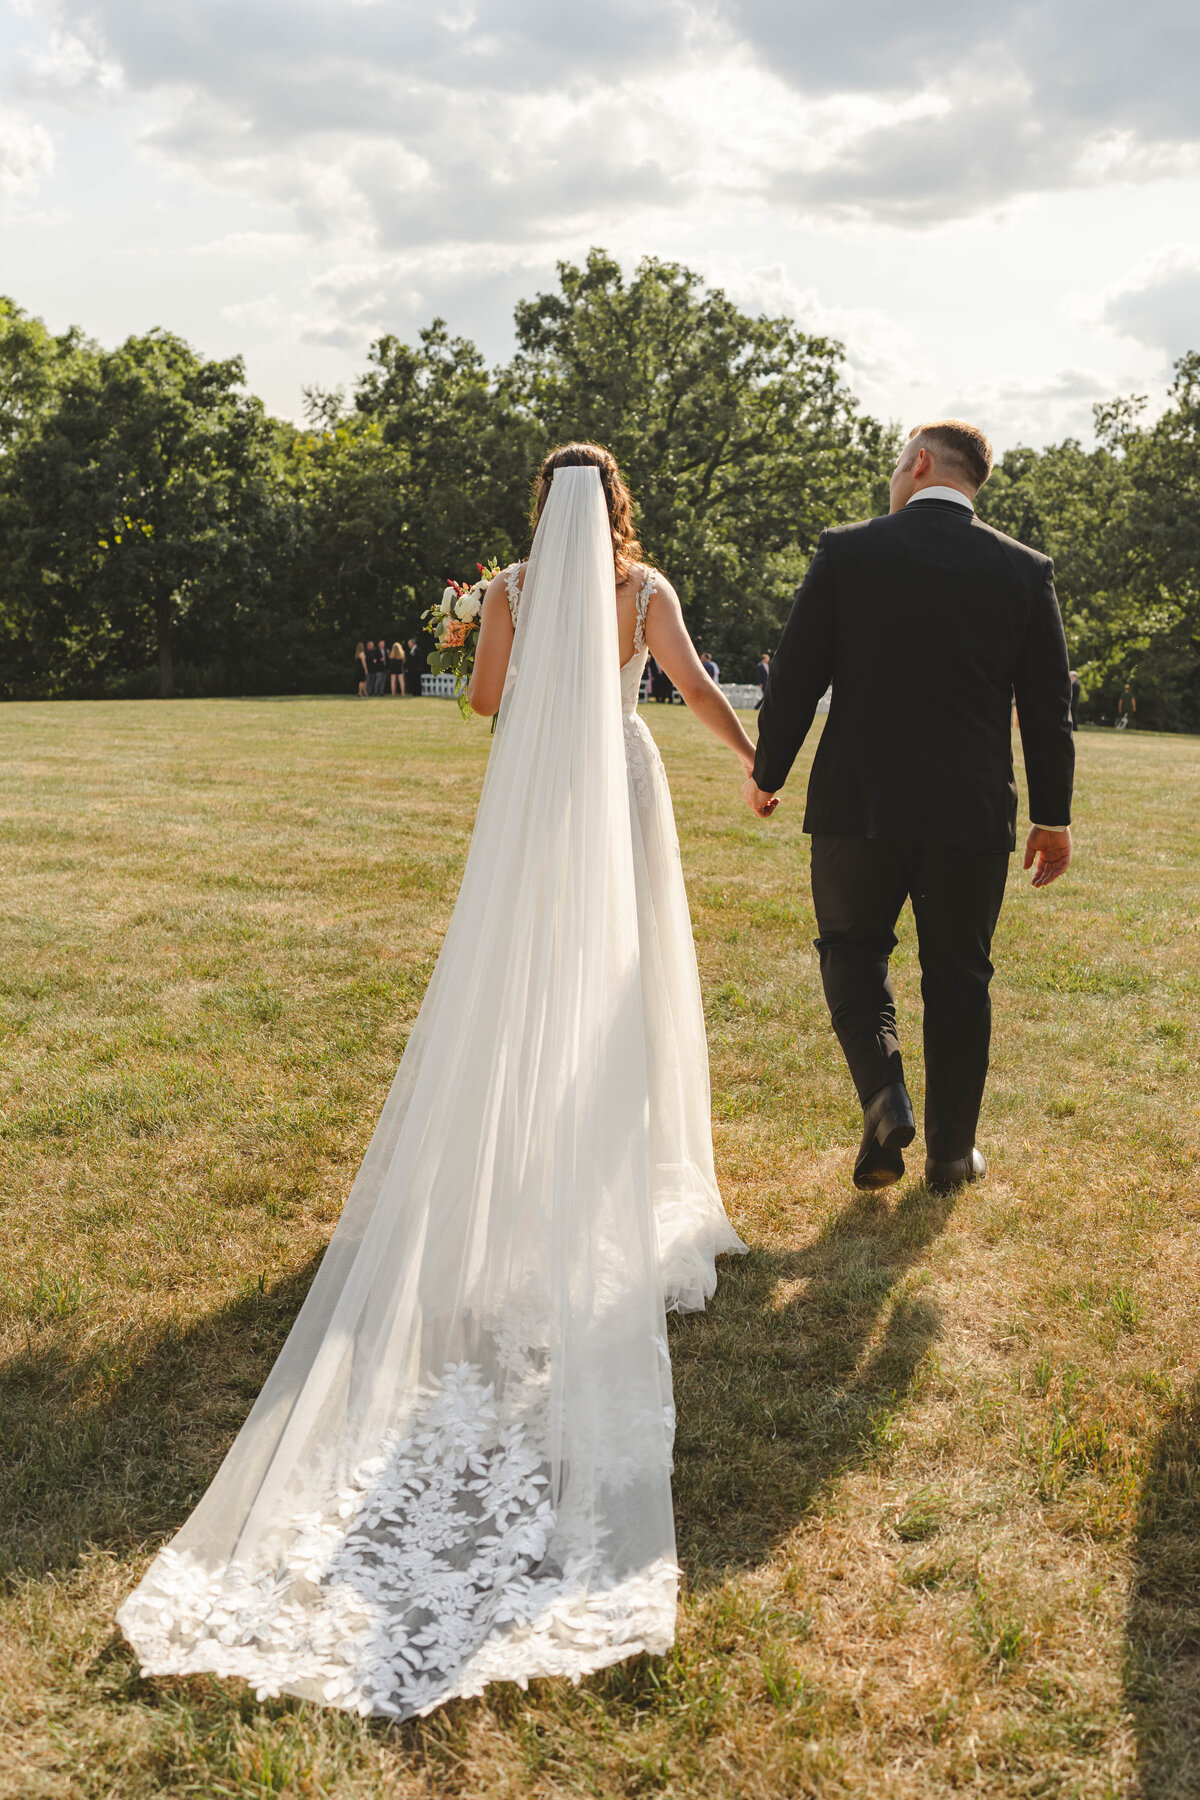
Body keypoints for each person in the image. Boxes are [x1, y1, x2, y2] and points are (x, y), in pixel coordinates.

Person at [118, 442, 750, 1722]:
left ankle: (511, 1178)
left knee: (522, 976)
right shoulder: (646, 590)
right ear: (620, 506)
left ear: (542, 508)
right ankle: (616, 1177)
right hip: (619, 786)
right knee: (622, 986)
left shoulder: (512, 589)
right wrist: (756, 759)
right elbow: (688, 689)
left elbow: (482, 706)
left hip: (537, 802)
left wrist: (508, 656)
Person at [745, 418, 1074, 1196]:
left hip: (857, 804)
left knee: (853, 952)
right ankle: (952, 1158)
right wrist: (1052, 816)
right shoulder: (1025, 570)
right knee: (960, 975)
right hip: (970, 814)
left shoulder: (848, 550)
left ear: (918, 463)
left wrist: (768, 769)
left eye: (896, 467)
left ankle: (885, 1098)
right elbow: (1049, 706)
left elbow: (794, 677)